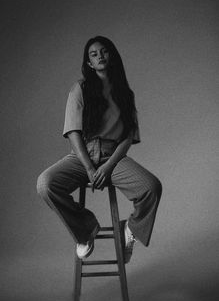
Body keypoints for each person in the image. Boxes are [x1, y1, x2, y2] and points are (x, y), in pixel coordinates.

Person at [37, 35, 162, 263]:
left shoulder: (125, 92)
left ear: (111, 55)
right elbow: (73, 132)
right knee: (45, 184)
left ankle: (130, 230)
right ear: (89, 64)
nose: (100, 56)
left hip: (112, 156)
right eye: (93, 54)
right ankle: (85, 228)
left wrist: (108, 166)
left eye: (103, 51)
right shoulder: (80, 88)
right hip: (82, 154)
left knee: (151, 187)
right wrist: (89, 167)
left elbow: (128, 137)